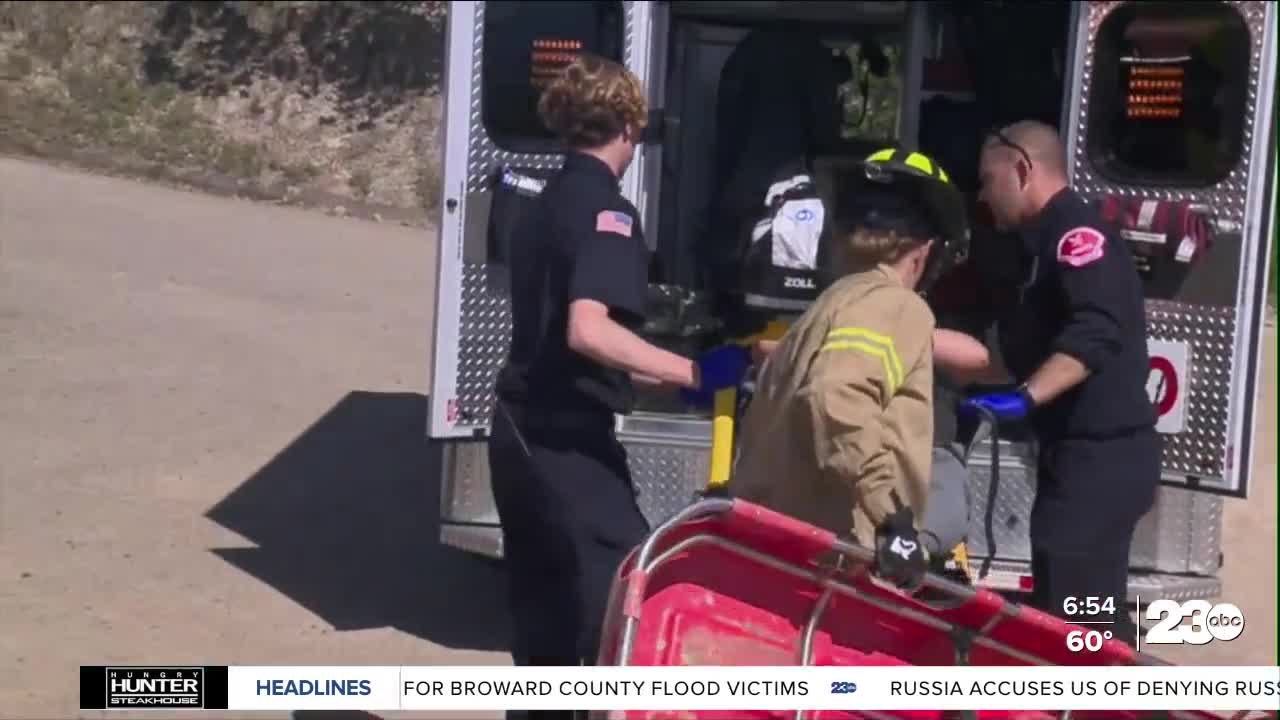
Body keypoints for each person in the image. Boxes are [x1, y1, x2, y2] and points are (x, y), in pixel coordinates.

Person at [487, 53, 749, 711]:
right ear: (629, 126)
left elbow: (573, 334)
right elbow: (588, 330)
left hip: (518, 434)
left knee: (544, 621)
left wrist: (657, 375)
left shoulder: (542, 203)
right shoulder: (608, 213)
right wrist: (694, 370)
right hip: (565, 442)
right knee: (631, 586)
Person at [729, 148, 971, 591]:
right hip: (841, 563)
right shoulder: (895, 304)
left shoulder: (821, 312)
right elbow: (834, 398)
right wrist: (892, 521)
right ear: (925, 252)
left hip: (782, 556)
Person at [962, 120, 1158, 645]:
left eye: (987, 180)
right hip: (1077, 462)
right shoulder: (1039, 244)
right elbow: (1029, 346)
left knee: (1082, 627)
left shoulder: (1076, 236)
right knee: (1068, 616)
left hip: (1101, 463)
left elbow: (1095, 333)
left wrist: (1026, 398)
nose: (983, 196)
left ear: (1021, 169)